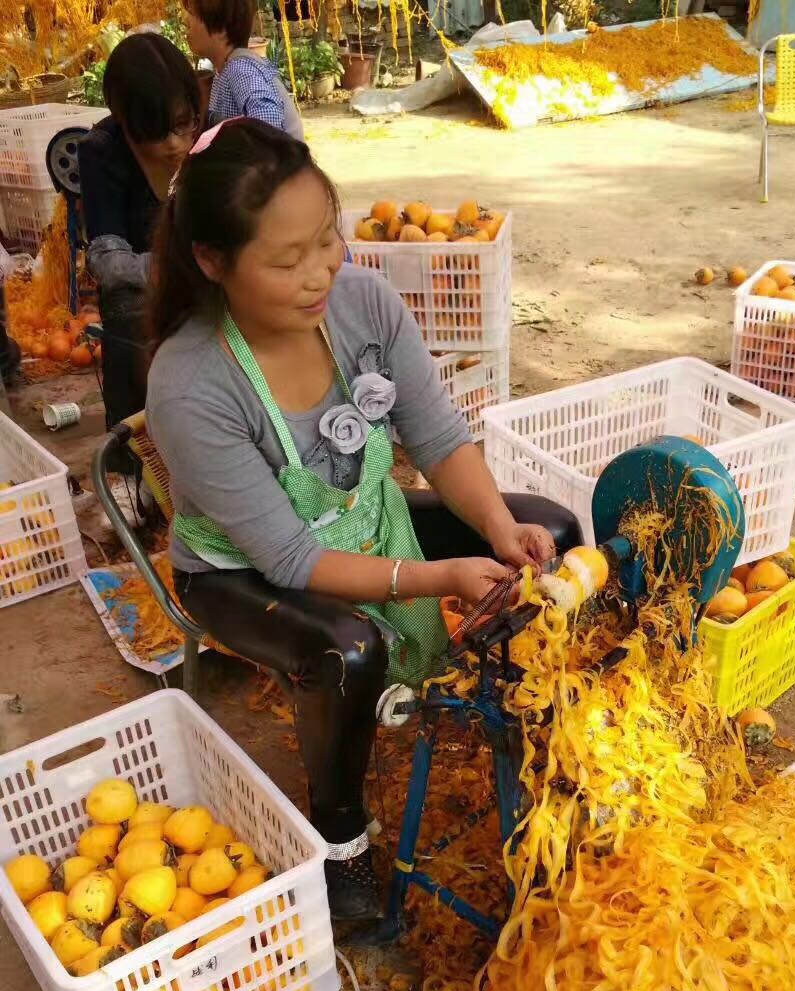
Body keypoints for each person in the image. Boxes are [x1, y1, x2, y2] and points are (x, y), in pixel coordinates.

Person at [146, 119, 580, 920]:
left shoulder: (364, 303)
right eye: (286, 260)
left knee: (554, 531)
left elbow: (441, 439)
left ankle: (506, 723)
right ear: (212, 261)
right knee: (348, 648)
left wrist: (492, 528)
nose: (321, 273)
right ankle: (340, 837)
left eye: (327, 239)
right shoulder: (191, 383)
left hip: (367, 516)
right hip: (244, 571)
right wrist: (436, 576)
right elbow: (286, 557)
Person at [78, 33, 200, 447]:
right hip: (144, 289)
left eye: (184, 125)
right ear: (127, 121)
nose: (175, 144)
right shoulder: (102, 150)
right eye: (157, 131)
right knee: (129, 306)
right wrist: (177, 265)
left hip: (207, 276)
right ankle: (141, 451)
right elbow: (109, 262)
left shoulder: (210, 131)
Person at [183, 0, 304, 140]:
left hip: (278, 160)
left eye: (192, 13)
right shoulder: (225, 69)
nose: (186, 20)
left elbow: (269, 124)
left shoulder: (240, 68)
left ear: (221, 30)